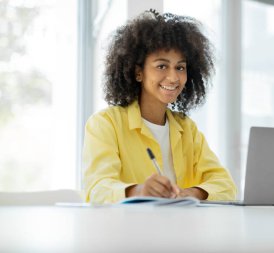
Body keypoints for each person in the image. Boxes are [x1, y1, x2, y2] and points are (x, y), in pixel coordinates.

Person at [83, 9, 237, 204]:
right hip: (127, 231)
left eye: (180, 67)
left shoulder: (187, 128)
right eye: (162, 66)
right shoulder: (105, 124)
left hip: (182, 229)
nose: (173, 77)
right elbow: (96, 189)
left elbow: (225, 184)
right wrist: (138, 191)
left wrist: (194, 193)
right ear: (138, 72)